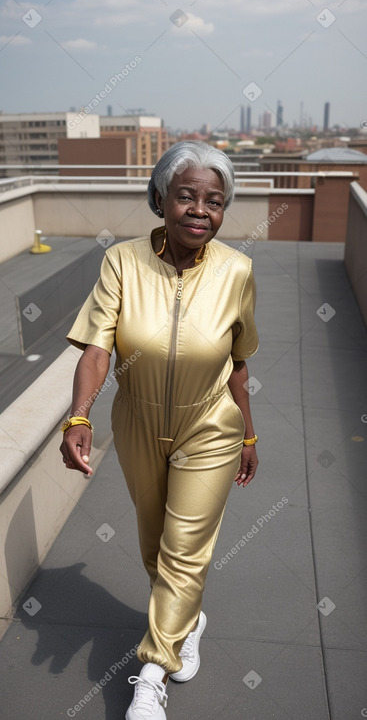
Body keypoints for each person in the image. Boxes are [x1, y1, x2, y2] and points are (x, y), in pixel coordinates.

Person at [60, 140, 259, 720]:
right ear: (161, 199)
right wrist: (79, 415)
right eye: (187, 196)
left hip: (210, 426)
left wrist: (246, 434)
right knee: (155, 547)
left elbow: (239, 364)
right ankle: (187, 618)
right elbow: (97, 348)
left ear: (223, 212)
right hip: (138, 422)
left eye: (215, 202)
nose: (201, 210)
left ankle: (152, 674)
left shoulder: (238, 271)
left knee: (184, 552)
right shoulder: (122, 262)